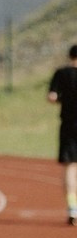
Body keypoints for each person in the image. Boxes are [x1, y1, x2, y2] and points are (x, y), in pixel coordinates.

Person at [46, 42, 77, 226]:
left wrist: (64, 100)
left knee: (70, 167)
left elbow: (52, 97)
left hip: (68, 125)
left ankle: (73, 207)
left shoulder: (62, 73)